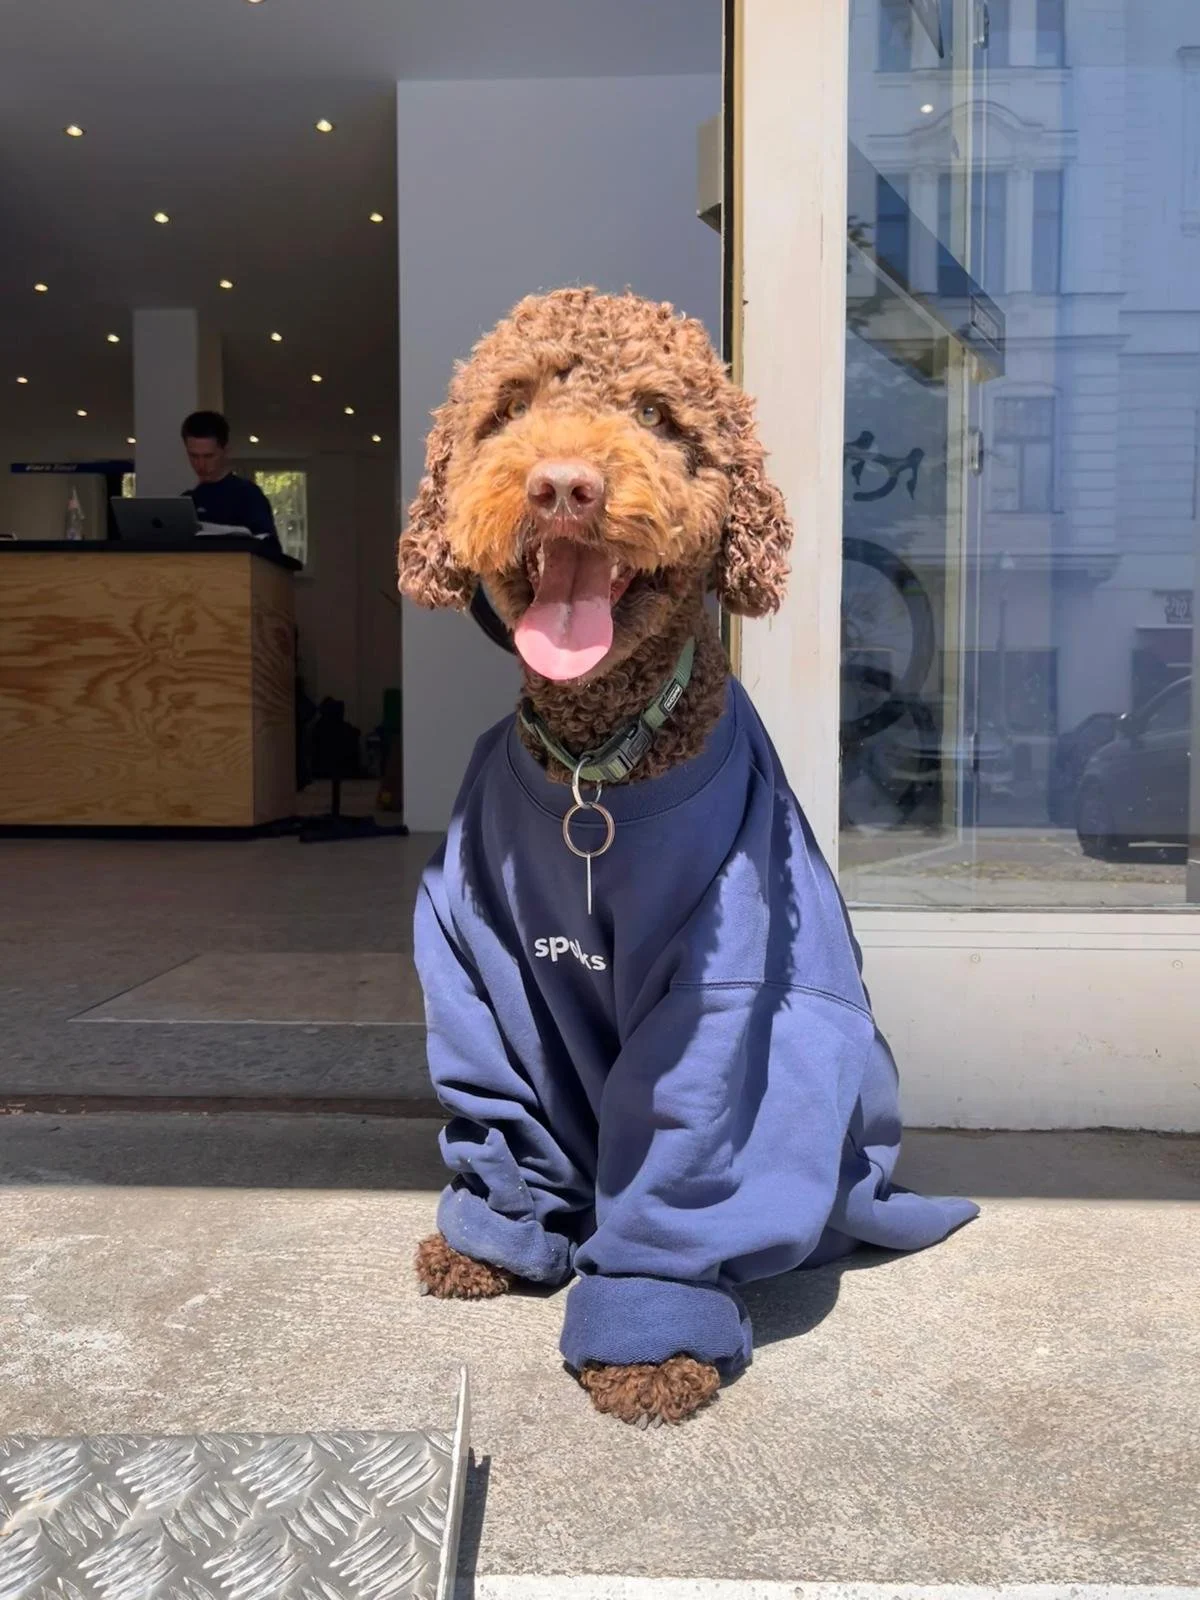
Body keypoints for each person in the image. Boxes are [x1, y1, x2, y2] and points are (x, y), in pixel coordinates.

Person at [181, 411, 280, 551]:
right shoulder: (187, 501)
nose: (201, 464)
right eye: (193, 456)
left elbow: (270, 550)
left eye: (208, 456)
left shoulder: (248, 495)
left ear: (225, 450)